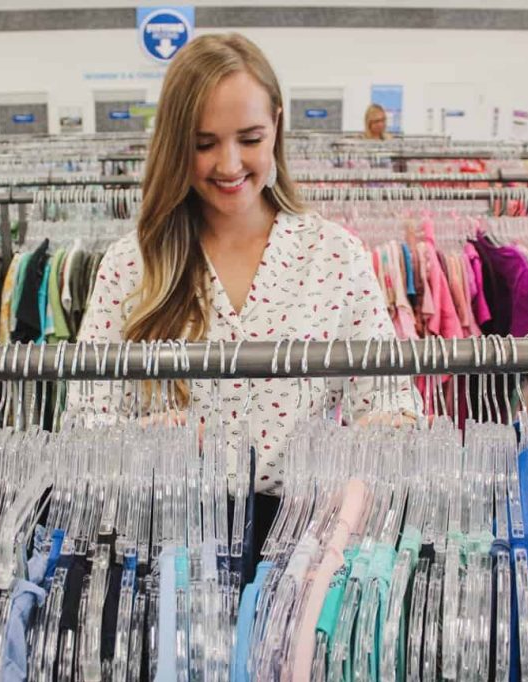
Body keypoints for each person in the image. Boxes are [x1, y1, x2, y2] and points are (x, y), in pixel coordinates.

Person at [73, 33, 418, 557]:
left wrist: (379, 429)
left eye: (250, 138)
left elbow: (390, 398)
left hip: (304, 540)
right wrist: (145, 439)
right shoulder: (132, 265)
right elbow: (83, 418)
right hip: (165, 540)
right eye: (204, 143)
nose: (229, 165)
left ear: (277, 124)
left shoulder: (333, 254)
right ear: (174, 143)